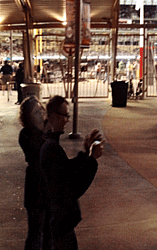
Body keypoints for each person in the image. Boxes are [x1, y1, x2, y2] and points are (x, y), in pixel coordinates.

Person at [40, 96, 104, 250]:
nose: (67, 120)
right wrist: (92, 160)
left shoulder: (50, 145)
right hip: (60, 224)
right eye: (65, 115)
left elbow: (65, 168)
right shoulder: (51, 148)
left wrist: (85, 153)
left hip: (58, 222)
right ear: (54, 116)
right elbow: (72, 188)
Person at [19, 97, 48, 250]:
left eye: (41, 109)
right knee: (35, 234)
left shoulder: (45, 131)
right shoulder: (27, 134)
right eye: (36, 112)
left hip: (46, 189)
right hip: (35, 190)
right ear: (28, 117)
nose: (41, 114)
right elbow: (38, 155)